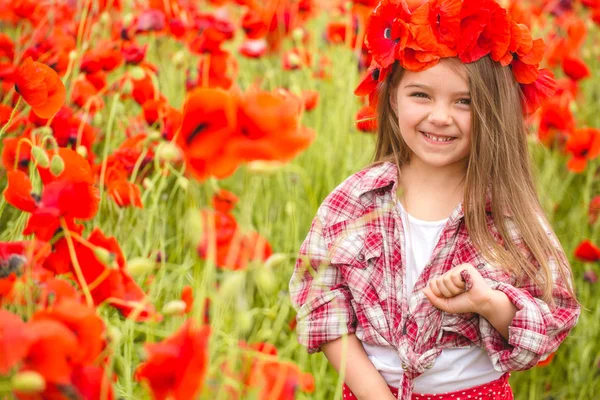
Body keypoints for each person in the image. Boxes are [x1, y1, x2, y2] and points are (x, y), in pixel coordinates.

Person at [288, 0, 582, 399]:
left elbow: (553, 320)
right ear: (392, 98)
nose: (440, 116)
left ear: (493, 110)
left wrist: (488, 302)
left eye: (464, 101)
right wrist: (375, 393)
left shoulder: (508, 212)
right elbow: (320, 304)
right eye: (421, 95)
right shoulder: (355, 201)